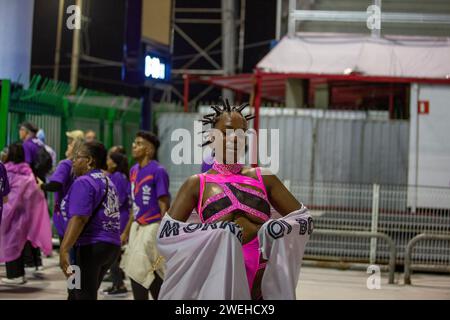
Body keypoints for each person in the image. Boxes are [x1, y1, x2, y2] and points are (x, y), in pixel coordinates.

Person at [156, 100, 313, 300]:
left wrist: (277, 228)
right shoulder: (196, 184)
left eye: (241, 133)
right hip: (215, 278)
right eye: (227, 132)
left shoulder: (264, 178)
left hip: (262, 281)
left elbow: (304, 219)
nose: (235, 138)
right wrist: (217, 232)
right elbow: (167, 233)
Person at [59, 141, 121, 300]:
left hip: (89, 247)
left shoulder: (84, 181)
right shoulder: (107, 181)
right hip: (109, 246)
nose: (73, 161)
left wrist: (64, 249)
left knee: (83, 295)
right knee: (74, 292)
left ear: (89, 161)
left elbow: (79, 218)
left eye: (77, 157)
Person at [120, 131, 170, 300]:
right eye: (134, 142)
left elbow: (164, 201)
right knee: (149, 269)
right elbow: (135, 204)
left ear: (149, 150)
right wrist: (126, 231)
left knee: (138, 269)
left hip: (153, 225)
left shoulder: (158, 170)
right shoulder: (133, 171)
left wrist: (165, 230)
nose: (134, 146)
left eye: (139, 143)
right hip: (137, 226)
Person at [0, 143, 52, 285]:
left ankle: (15, 276)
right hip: (24, 215)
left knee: (9, 242)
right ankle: (20, 274)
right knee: (19, 244)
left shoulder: (7, 171)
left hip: (9, 214)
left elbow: (7, 195)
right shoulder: (28, 172)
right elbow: (34, 194)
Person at [40, 137, 85, 240]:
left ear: (75, 150)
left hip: (64, 211)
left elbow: (56, 185)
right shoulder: (82, 168)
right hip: (77, 212)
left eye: (71, 145)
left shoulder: (65, 164)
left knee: (65, 247)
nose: (68, 146)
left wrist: (41, 186)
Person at [101, 151, 131, 297]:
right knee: (113, 254)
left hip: (120, 218)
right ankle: (116, 283)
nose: (106, 161)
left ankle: (119, 285)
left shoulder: (119, 177)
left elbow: (118, 200)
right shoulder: (113, 176)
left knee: (114, 253)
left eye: (108, 159)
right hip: (115, 217)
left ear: (114, 163)